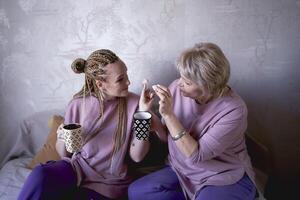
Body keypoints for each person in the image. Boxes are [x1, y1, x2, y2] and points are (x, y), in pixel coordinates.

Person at [18, 49, 165, 200]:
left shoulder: (135, 103)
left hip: (109, 182)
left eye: (126, 74)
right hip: (75, 170)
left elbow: (138, 156)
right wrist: (62, 136)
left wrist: (144, 115)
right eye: (120, 79)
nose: (128, 82)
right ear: (100, 84)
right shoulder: (77, 104)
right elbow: (64, 154)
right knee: (40, 174)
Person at [128, 42, 257, 200]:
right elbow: (138, 155)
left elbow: (192, 154)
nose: (128, 83)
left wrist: (158, 114)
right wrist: (143, 113)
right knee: (137, 191)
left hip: (219, 174)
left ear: (208, 86)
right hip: (178, 170)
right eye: (121, 78)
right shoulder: (139, 101)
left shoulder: (234, 109)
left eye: (187, 82)